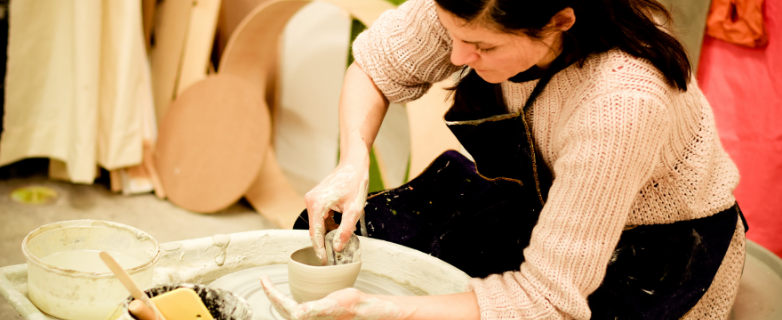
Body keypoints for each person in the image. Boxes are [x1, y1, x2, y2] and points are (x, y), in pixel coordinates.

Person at [261, 0, 748, 319]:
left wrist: (380, 307)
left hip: (655, 250)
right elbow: (375, 64)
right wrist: (352, 159)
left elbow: (548, 300)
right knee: (339, 227)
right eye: (452, 34)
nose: (454, 56)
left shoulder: (622, 101)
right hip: (542, 200)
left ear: (560, 20)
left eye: (481, 47)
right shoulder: (476, 6)